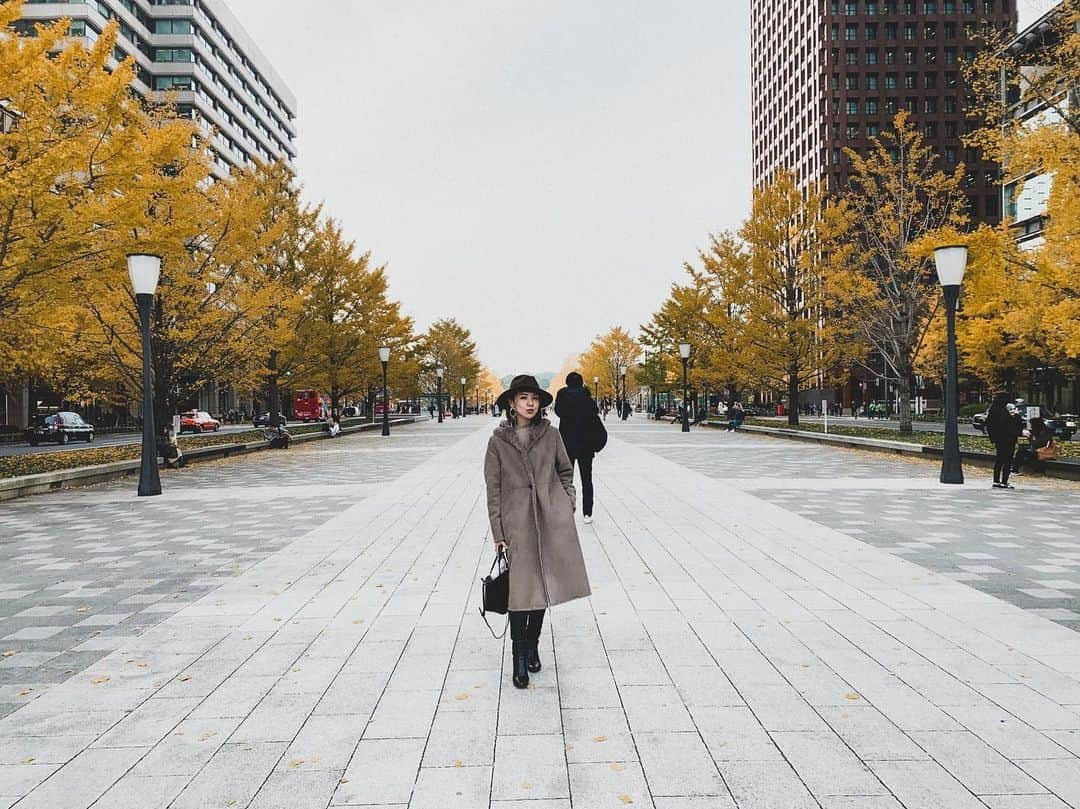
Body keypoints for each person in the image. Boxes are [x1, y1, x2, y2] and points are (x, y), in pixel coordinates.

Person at [485, 375, 591, 690]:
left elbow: (565, 470)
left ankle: (533, 643)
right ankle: (518, 655)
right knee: (520, 588)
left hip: (548, 518)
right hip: (516, 522)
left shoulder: (551, 435)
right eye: (523, 398)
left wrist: (566, 502)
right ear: (511, 403)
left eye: (534, 398)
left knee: (543, 583)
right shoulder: (497, 442)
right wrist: (498, 530)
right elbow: (493, 488)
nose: (530, 403)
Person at [554, 372, 599, 525]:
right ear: (581, 382)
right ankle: (587, 513)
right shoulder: (586, 395)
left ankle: (567, 509)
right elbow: (595, 411)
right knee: (587, 479)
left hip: (567, 442)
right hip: (586, 443)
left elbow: (558, 411)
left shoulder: (562, 394)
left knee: (567, 478)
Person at [985, 393, 1023, 489]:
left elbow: (990, 424)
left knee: (999, 459)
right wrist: (1016, 416)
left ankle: (996, 481)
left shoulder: (993, 409)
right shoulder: (1002, 411)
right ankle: (1004, 481)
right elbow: (1009, 423)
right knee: (1008, 460)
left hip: (999, 439)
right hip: (1008, 438)